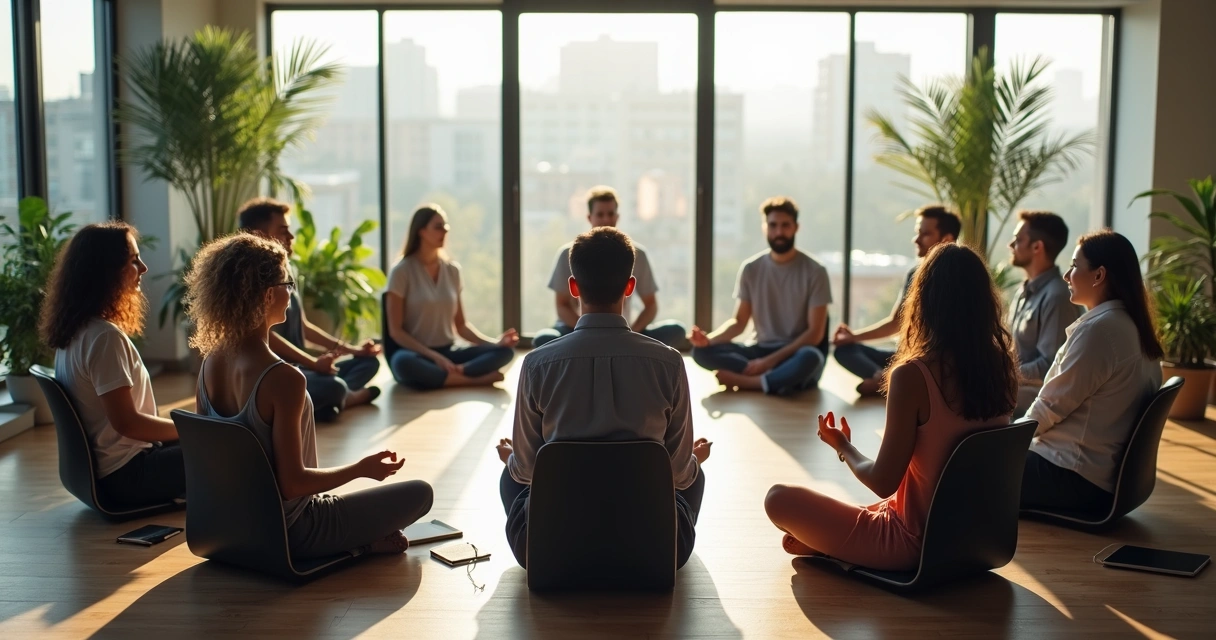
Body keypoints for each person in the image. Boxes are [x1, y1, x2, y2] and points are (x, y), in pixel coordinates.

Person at [764, 243, 1017, 571]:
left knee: (778, 499)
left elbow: (883, 481)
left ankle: (836, 547)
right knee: (873, 507)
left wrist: (844, 447)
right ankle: (834, 543)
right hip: (981, 544)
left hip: (916, 545)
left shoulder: (913, 375)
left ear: (924, 300)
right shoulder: (1003, 368)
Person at [183, 233, 433, 558]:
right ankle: (358, 546)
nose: (291, 292)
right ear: (269, 293)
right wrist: (361, 468)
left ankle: (361, 540)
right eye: (289, 283)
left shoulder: (209, 363)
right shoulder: (283, 378)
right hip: (291, 533)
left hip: (227, 531)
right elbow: (293, 484)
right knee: (419, 494)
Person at [496, 227, 713, 569]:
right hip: (655, 550)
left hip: (551, 550)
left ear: (573, 287)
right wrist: (692, 461)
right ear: (630, 286)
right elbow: (679, 476)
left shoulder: (536, 364)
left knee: (509, 476)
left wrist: (511, 458)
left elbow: (526, 471)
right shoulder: (669, 362)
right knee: (695, 474)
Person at [39, 221, 186, 510]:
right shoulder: (104, 337)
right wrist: (192, 431)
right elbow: (128, 423)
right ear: (105, 272)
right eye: (133, 260)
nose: (143, 268)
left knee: (214, 437)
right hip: (128, 475)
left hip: (116, 470)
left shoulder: (75, 331)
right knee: (232, 448)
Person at [1021, 230, 1163, 513]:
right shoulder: (1129, 324)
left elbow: (1049, 407)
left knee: (965, 465)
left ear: (1099, 276)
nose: (1067, 275)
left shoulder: (1099, 331)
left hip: (1073, 477)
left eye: (1074, 266)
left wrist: (1006, 446)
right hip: (1090, 474)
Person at [237, 198, 381, 423]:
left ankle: (322, 403)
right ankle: (344, 398)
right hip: (275, 376)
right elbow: (265, 338)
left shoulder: (287, 269)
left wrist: (354, 351)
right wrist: (313, 363)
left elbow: (304, 326)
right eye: (284, 230)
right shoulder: (250, 279)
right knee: (333, 386)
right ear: (260, 235)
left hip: (302, 370)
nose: (291, 237)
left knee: (368, 364)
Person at [689, 196, 831, 395]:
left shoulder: (815, 271)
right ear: (765, 227)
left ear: (796, 227)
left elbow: (815, 334)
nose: (779, 232)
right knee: (700, 352)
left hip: (795, 352)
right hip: (759, 349)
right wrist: (708, 341)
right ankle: (777, 379)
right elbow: (739, 322)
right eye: (773, 225)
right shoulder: (751, 269)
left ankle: (750, 382)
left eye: (785, 225)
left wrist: (768, 362)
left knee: (811, 358)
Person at [532, 186, 687, 348]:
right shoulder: (568, 254)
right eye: (600, 214)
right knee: (543, 339)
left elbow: (651, 305)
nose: (606, 219)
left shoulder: (636, 254)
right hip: (575, 330)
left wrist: (629, 334)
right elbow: (561, 305)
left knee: (676, 330)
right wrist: (587, 332)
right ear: (589, 217)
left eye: (611, 214)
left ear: (617, 216)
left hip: (623, 329)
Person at [386, 205, 518, 390]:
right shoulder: (401, 272)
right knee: (402, 363)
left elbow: (461, 326)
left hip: (450, 351)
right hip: (416, 353)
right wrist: (434, 357)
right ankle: (472, 379)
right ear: (421, 231)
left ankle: (450, 375)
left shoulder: (452, 270)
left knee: (505, 353)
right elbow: (396, 332)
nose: (445, 231)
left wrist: (496, 343)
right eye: (438, 226)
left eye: (446, 226)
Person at [833, 205, 960, 396]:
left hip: (939, 363)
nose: (916, 240)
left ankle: (890, 383)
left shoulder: (961, 275)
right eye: (917, 232)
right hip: (907, 357)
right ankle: (885, 380)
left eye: (925, 234)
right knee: (845, 350)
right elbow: (897, 323)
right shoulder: (913, 273)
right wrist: (853, 338)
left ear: (947, 239)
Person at [1007, 211, 1081, 415]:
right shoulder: (1023, 291)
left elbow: (1050, 366)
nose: (1011, 245)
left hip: (1037, 403)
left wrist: (1003, 374)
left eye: (1017, 239)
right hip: (1014, 390)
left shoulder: (1057, 297)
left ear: (1037, 246)